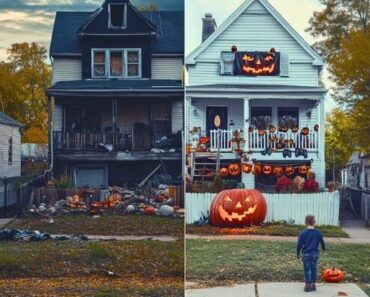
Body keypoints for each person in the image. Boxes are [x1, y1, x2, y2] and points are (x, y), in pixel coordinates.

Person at [297, 215, 326, 292]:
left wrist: (298, 253)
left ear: (305, 223)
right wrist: (323, 248)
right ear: (314, 222)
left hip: (306, 254)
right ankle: (313, 285)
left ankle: (307, 286)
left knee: (307, 269)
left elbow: (299, 244)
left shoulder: (303, 233)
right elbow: (322, 242)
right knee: (314, 268)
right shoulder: (318, 232)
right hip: (315, 254)